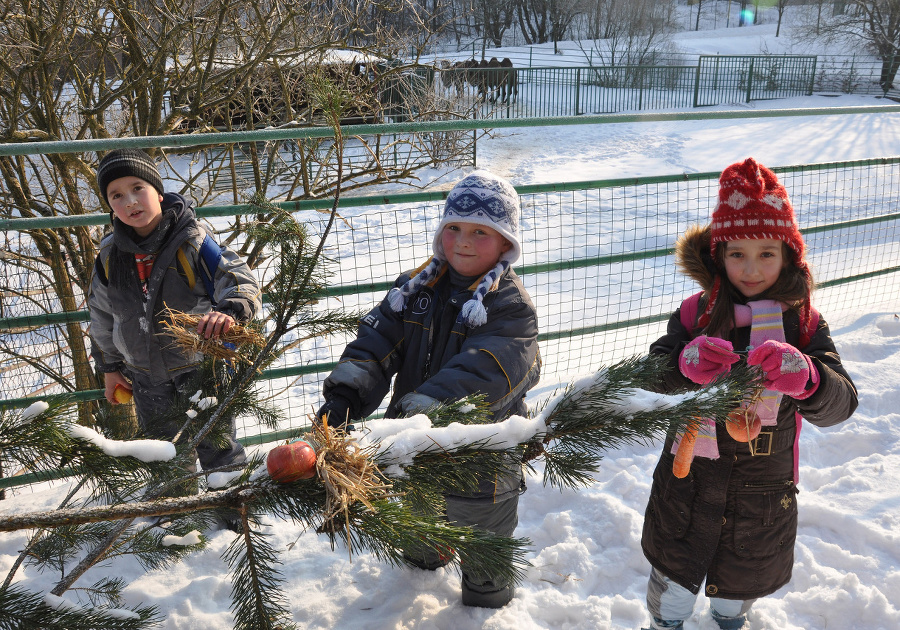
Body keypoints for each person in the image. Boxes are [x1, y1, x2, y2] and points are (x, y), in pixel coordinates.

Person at [640, 157, 858, 630]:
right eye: (737, 253)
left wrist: (810, 377)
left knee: (739, 586)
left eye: (766, 253)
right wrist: (683, 364)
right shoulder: (696, 314)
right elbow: (651, 378)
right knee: (673, 585)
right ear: (719, 256)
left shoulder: (804, 324)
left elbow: (842, 403)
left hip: (761, 491)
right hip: (687, 482)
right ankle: (666, 623)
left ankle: (730, 621)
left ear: (788, 256)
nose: (752, 268)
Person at [317, 170, 541, 608]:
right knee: (418, 531)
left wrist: (416, 413)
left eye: (481, 231)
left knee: (483, 544)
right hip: (414, 451)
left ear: (505, 243)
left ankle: (486, 603)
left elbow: (486, 374)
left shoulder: (511, 308)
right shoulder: (415, 289)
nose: (464, 241)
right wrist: (344, 399)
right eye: (454, 227)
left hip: (482, 460)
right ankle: (420, 571)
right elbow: (376, 343)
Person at [88, 149, 261, 506]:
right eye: (116, 195)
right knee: (165, 454)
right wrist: (109, 367)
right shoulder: (109, 255)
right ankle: (177, 523)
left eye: (138, 187)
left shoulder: (193, 239)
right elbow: (102, 316)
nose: (130, 201)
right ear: (109, 205)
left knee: (219, 445)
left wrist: (227, 312)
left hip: (199, 368)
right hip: (143, 374)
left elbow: (239, 279)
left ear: (158, 191)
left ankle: (233, 510)